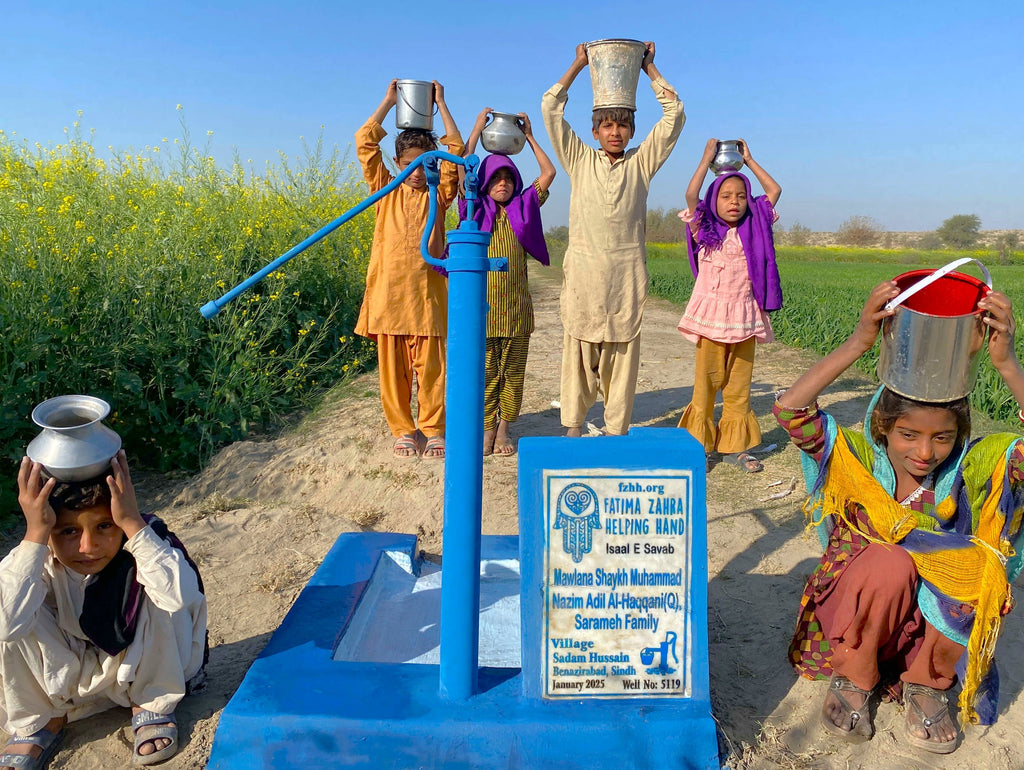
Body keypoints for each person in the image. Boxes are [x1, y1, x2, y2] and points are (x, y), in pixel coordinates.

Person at [774, 282, 1024, 754]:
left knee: (974, 568)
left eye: (943, 438)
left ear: (959, 436)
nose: (925, 453)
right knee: (890, 562)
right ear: (883, 427)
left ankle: (927, 682)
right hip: (863, 610)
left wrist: (1006, 363)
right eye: (908, 434)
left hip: (927, 628)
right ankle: (855, 675)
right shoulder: (859, 465)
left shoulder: (971, 472)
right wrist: (859, 342)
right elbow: (791, 411)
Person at [0, 451, 207, 767]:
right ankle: (41, 720)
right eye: (68, 531)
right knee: (11, 606)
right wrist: (35, 535)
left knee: (161, 587)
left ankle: (150, 702)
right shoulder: (35, 555)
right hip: (65, 675)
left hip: (138, 668)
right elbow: (7, 625)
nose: (87, 546)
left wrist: (132, 523)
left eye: (104, 526)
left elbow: (180, 598)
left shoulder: (143, 540)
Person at [541, 41, 684, 437]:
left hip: (626, 277)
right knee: (578, 354)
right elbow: (551, 109)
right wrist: (578, 64)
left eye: (622, 125)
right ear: (595, 130)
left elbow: (674, 115)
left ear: (632, 130)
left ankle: (616, 430)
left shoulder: (642, 162)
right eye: (607, 125)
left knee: (622, 360)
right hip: (584, 275)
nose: (615, 132)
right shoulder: (579, 159)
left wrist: (649, 69)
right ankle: (572, 427)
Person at [355, 80, 465, 459]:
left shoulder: (440, 191)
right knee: (393, 373)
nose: (416, 173)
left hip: (426, 297)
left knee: (431, 372)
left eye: (424, 164)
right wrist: (388, 101)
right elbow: (365, 143)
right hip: (388, 296)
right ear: (397, 165)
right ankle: (403, 430)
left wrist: (442, 104)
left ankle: (433, 429)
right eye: (408, 165)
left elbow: (456, 149)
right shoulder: (385, 189)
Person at [676, 139, 782, 472]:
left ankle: (736, 448)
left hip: (744, 318)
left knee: (738, 387)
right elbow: (691, 196)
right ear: (714, 201)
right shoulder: (703, 229)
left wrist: (748, 159)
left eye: (740, 196)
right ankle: (700, 446)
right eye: (725, 196)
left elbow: (774, 190)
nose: (734, 202)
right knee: (706, 384)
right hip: (711, 320)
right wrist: (706, 157)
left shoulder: (756, 226)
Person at [459, 109, 555, 456]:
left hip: (516, 313)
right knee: (485, 376)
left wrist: (528, 135)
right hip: (482, 314)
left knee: (512, 375)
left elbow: (549, 173)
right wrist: (476, 129)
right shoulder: (474, 207)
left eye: (508, 178)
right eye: (495, 178)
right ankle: (486, 428)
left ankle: (504, 430)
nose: (502, 183)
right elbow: (459, 168)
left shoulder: (524, 206)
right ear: (484, 183)